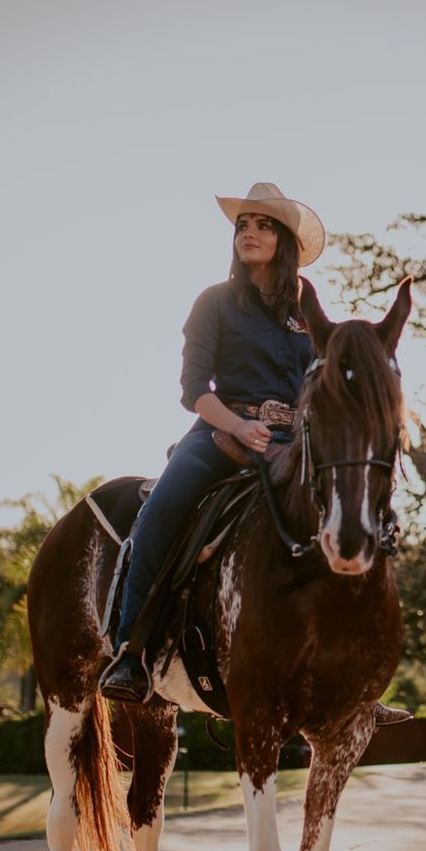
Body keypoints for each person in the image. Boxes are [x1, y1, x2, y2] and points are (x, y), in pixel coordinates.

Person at [98, 182, 322, 704]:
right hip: (221, 432)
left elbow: (321, 381)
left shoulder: (308, 312)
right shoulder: (215, 302)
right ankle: (131, 652)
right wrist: (238, 427)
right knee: (160, 510)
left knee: (345, 511)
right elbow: (194, 389)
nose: (248, 233)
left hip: (293, 442)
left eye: (263, 225)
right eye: (242, 225)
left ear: (285, 242)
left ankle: (350, 671)